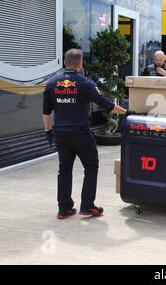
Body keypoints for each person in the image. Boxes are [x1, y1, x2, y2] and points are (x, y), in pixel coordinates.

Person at [43, 49, 133, 219]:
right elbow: (106, 104)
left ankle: (64, 209)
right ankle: (87, 206)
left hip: (61, 134)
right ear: (80, 64)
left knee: (64, 170)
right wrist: (126, 112)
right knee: (91, 167)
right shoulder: (86, 83)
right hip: (81, 134)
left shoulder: (52, 83)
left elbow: (46, 112)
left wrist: (48, 132)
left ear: (64, 63)